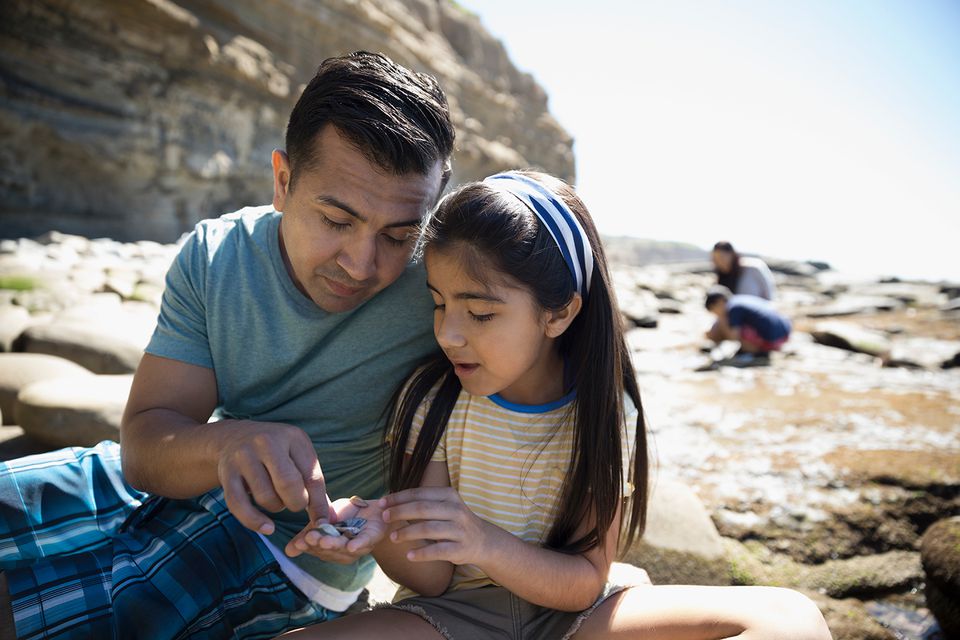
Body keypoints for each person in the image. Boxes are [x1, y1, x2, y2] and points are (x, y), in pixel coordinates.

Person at [0, 51, 455, 638]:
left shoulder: (444, 290)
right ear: (284, 181)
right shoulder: (217, 255)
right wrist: (228, 444)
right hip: (186, 471)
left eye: (399, 235)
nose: (362, 264)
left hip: (294, 559)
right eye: (337, 221)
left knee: (38, 611)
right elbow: (142, 447)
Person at [279, 172, 832, 639]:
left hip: (577, 616)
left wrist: (483, 541)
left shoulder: (604, 413)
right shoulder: (434, 399)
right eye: (440, 304)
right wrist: (386, 537)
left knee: (790, 616)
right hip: (453, 616)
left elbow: (585, 580)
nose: (447, 334)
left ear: (559, 313)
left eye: (480, 313)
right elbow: (432, 582)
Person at [705, 285, 792, 366]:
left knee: (738, 329)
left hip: (774, 338)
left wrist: (722, 320)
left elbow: (733, 336)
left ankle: (757, 352)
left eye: (714, 310)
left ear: (719, 302)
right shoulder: (738, 300)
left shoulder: (733, 309)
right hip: (784, 331)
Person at [711, 241, 776, 300]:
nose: (719, 262)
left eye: (721, 258)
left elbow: (769, 292)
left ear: (732, 255)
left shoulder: (753, 268)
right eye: (715, 259)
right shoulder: (721, 277)